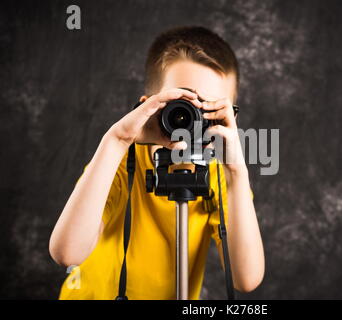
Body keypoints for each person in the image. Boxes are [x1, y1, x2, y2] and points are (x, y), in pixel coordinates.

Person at [49, 26, 265, 299]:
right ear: (148, 107)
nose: (193, 122)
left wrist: (237, 171)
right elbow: (67, 253)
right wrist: (117, 140)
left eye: (209, 110)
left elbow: (246, 279)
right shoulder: (119, 163)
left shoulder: (219, 177)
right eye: (183, 107)